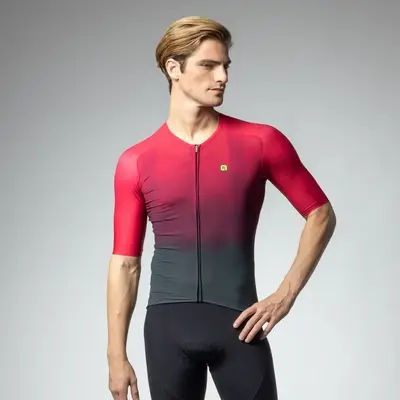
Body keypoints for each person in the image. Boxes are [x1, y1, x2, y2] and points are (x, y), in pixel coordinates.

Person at [106, 16, 337, 400]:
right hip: (166, 330)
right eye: (208, 65)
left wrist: (285, 295)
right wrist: (116, 355)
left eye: (225, 65)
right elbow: (125, 263)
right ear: (174, 69)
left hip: (239, 325)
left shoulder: (260, 142)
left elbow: (321, 214)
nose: (223, 77)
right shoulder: (137, 161)